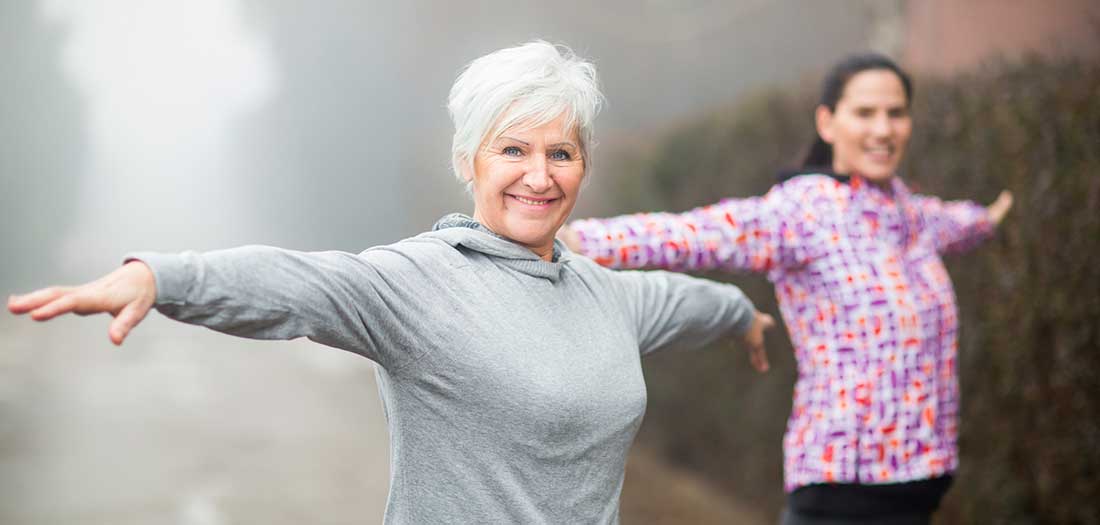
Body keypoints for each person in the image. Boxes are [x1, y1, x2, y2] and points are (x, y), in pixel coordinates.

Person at [7, 41, 775, 524]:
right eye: (513, 150)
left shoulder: (608, 294)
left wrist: (742, 316)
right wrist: (163, 274)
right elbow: (296, 283)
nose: (539, 176)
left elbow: (685, 300)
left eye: (562, 153)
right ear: (468, 161)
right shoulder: (418, 283)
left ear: (584, 165)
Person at [561, 53, 1013, 524]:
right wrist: (580, 239)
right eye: (865, 113)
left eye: (895, 113)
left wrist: (987, 219)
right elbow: (701, 233)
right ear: (827, 121)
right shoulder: (804, 212)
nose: (883, 129)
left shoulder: (906, 212)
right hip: (844, 491)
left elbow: (952, 222)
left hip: (919, 487)